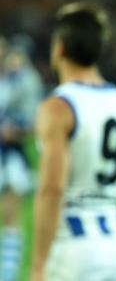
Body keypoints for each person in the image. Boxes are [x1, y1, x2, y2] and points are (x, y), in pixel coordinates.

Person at [29, 2, 116, 281]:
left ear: (59, 47)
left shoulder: (58, 108)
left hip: (72, 247)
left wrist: (38, 266)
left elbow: (52, 188)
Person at [0, 39, 43, 281]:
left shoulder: (21, 80)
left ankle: (8, 272)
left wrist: (14, 131)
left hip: (10, 155)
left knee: (10, 212)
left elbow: (30, 122)